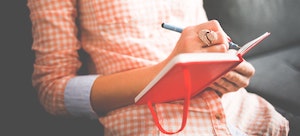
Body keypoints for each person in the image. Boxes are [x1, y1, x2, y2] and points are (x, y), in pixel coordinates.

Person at [27, 0, 289, 135]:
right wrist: (167, 70)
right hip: (156, 124)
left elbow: (202, 37)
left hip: (243, 112)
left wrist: (223, 64)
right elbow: (52, 90)